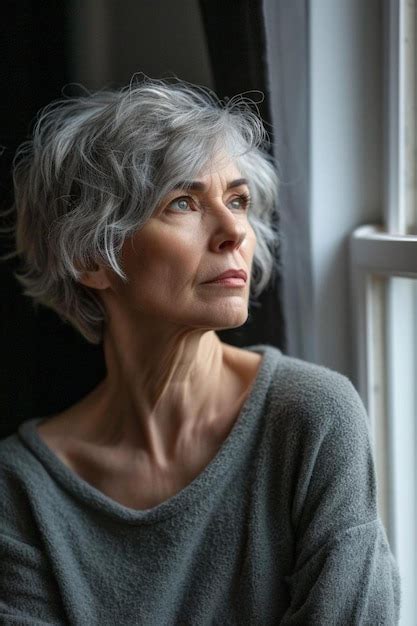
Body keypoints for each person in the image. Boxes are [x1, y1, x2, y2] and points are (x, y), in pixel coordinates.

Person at [0, 75, 401, 625]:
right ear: (91, 255)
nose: (233, 229)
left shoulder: (311, 416)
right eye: (183, 202)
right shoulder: (22, 488)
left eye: (237, 199)